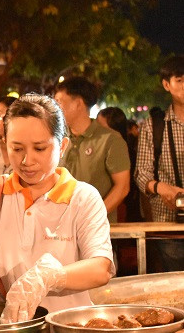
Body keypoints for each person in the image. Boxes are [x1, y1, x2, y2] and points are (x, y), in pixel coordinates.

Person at [0, 94, 114, 323]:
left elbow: (101, 268)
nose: (26, 160)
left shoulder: (83, 197)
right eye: (17, 148)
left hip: (67, 329)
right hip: (10, 329)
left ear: (62, 146)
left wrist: (49, 277)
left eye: (40, 149)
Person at [55, 77, 130, 222]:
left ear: (78, 103)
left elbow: (122, 187)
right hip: (59, 227)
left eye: (59, 102)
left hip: (95, 229)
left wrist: (92, 217)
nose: (55, 107)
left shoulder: (110, 139)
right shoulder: (56, 138)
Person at [135, 55, 184, 271]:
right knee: (174, 282)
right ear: (166, 85)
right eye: (180, 80)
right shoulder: (153, 126)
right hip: (168, 222)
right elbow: (141, 173)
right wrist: (161, 188)